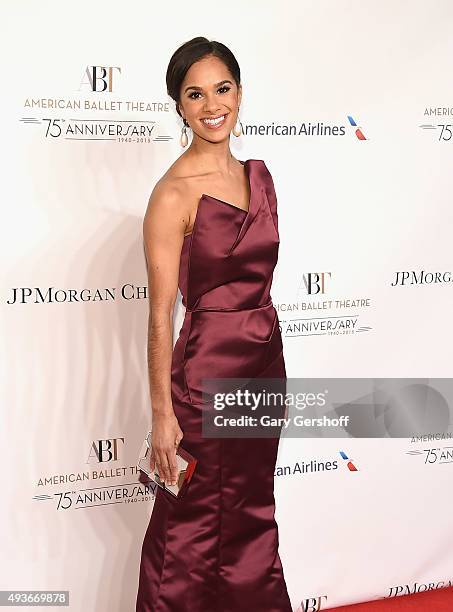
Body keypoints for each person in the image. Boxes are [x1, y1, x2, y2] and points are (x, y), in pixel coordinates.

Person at [135, 36, 292, 612]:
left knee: (252, 510)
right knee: (192, 525)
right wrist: (161, 414)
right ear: (178, 106)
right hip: (203, 381)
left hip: (264, 369)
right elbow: (158, 318)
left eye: (221, 89)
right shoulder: (171, 195)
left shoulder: (261, 178)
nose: (211, 105)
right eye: (194, 94)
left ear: (240, 92)